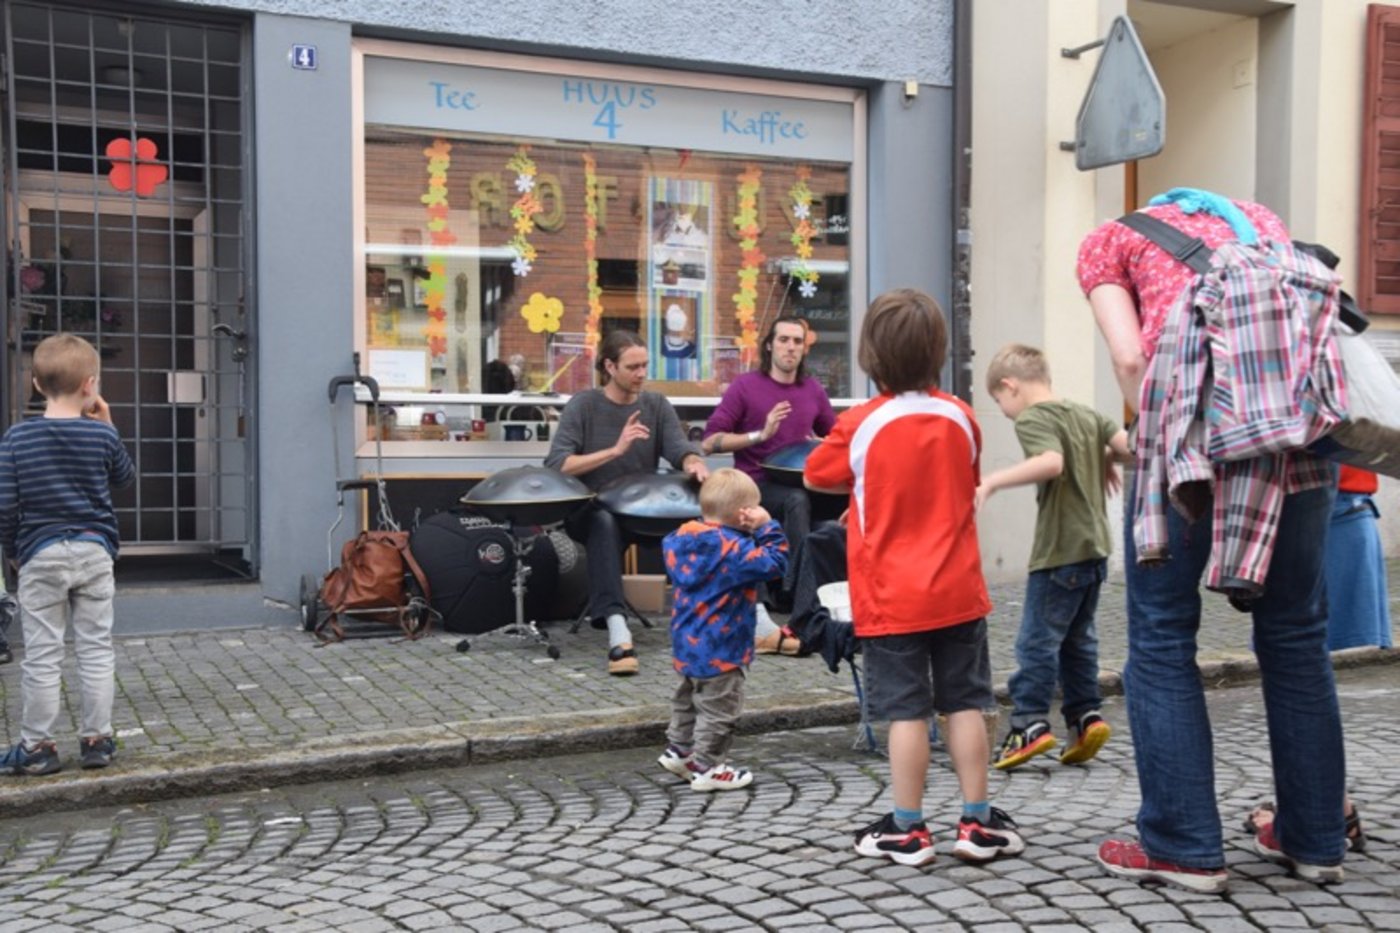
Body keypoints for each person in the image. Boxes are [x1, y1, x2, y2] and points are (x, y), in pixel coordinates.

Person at [1080, 189, 1348, 892]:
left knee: (1164, 637)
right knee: (1296, 635)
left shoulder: (1111, 239)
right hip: (1297, 447)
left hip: (1191, 447)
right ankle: (1315, 838)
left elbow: (1133, 360)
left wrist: (1145, 434)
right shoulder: (1264, 228)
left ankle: (1184, 845)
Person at [804, 288, 1024, 867]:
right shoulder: (961, 415)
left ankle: (908, 827)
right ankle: (976, 823)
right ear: (937, 351)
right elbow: (959, 478)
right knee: (968, 703)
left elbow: (816, 475)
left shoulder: (861, 423)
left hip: (891, 596)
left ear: (870, 353)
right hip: (957, 589)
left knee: (906, 711)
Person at [976, 344, 1130, 771]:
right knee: (1079, 640)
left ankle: (1028, 724)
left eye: (999, 401)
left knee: (1036, 642)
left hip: (1060, 550)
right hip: (1096, 549)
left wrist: (991, 483)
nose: (1005, 412)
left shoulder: (1034, 417)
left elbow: (1050, 463)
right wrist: (1105, 456)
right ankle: (1085, 717)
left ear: (1011, 386)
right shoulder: (1085, 413)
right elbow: (1131, 447)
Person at [0, 334, 135, 774]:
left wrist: (12, 553)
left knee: (43, 654)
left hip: (40, 552)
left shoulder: (17, 439)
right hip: (94, 551)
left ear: (37, 384)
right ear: (89, 385)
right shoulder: (100, 437)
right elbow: (125, 478)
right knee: (96, 648)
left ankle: (37, 748)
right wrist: (108, 424)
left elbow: (5, 504)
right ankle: (97, 741)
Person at [544, 330, 708, 676]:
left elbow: (678, 448)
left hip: (641, 510)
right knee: (603, 520)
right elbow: (558, 464)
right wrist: (615, 451)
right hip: (588, 511)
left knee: (702, 518)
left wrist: (693, 463)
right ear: (609, 366)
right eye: (633, 366)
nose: (641, 373)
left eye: (645, 365)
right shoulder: (584, 405)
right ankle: (617, 628)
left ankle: (733, 615)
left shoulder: (656, 405)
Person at [704, 315, 836, 649]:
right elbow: (710, 441)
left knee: (837, 508)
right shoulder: (745, 387)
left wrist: (824, 444)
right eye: (784, 340)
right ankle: (787, 588)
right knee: (796, 501)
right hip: (756, 485)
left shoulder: (812, 390)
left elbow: (836, 436)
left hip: (803, 482)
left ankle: (821, 606)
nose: (791, 347)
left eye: (797, 342)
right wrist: (759, 434)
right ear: (769, 345)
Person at [656, 468, 787, 791]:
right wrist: (768, 526)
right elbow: (776, 563)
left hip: (686, 639)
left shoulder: (678, 540)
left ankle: (680, 750)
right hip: (722, 644)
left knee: (686, 697)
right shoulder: (734, 550)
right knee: (720, 708)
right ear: (745, 515)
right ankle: (708, 767)